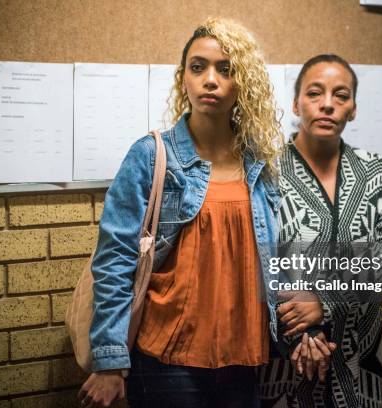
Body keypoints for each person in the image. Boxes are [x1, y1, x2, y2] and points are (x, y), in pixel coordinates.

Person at [77, 18, 285, 408]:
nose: (210, 80)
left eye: (226, 69)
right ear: (183, 78)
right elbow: (114, 261)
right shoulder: (152, 156)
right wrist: (108, 362)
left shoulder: (261, 165)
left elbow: (279, 257)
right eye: (198, 67)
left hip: (244, 360)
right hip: (166, 361)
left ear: (244, 82)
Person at [258, 54, 382, 407]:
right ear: (296, 103)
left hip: (358, 359)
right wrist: (304, 331)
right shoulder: (265, 173)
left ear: (353, 108)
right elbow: (254, 259)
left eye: (341, 95)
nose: (327, 104)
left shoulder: (377, 172)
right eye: (315, 93)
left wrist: (324, 301)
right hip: (284, 358)